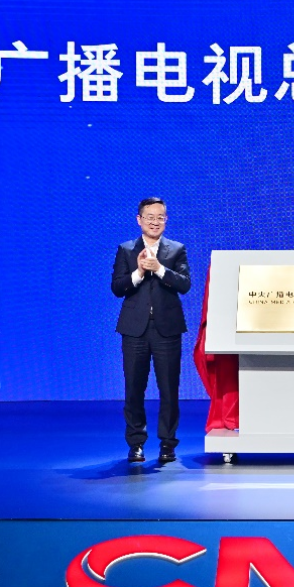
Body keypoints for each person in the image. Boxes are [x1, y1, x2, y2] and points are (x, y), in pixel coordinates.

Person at [110, 197, 191, 464]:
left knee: (169, 389)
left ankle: (168, 443)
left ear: (166, 220)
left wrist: (159, 269)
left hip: (167, 330)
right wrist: (139, 273)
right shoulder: (126, 249)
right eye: (150, 217)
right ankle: (136, 444)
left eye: (160, 217)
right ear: (139, 220)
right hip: (134, 330)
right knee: (134, 389)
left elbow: (184, 284)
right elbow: (117, 287)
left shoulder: (176, 249)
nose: (155, 222)